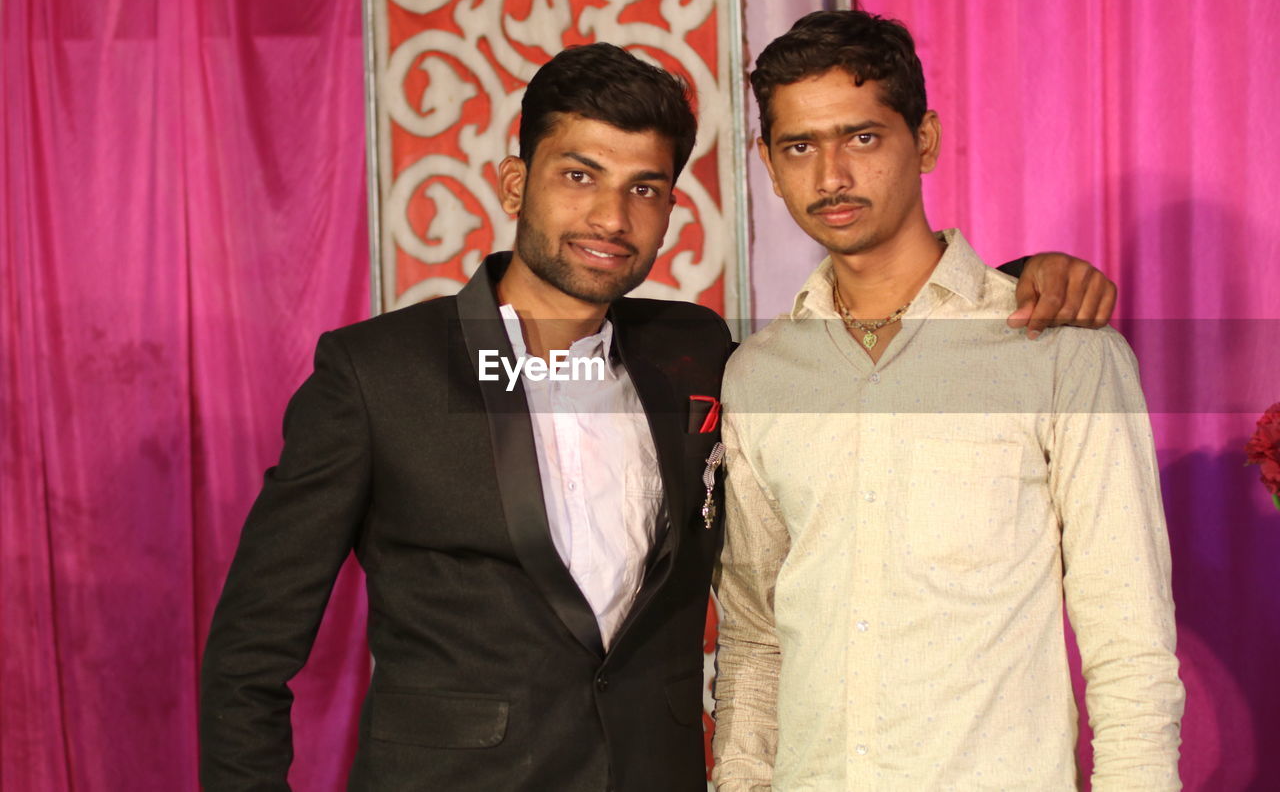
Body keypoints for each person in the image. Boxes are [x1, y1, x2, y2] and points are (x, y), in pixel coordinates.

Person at [200, 41, 1117, 791]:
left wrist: (1027, 278)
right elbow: (248, 655)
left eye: (645, 187)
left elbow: (884, 329)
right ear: (516, 185)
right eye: (581, 175)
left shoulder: (697, 353)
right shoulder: (377, 374)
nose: (612, 215)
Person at [711, 10, 1184, 791]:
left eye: (862, 137)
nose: (830, 176)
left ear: (923, 140)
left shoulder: (1061, 348)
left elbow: (1129, 641)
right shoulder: (759, 376)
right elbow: (757, 632)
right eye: (800, 146)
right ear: (767, 161)